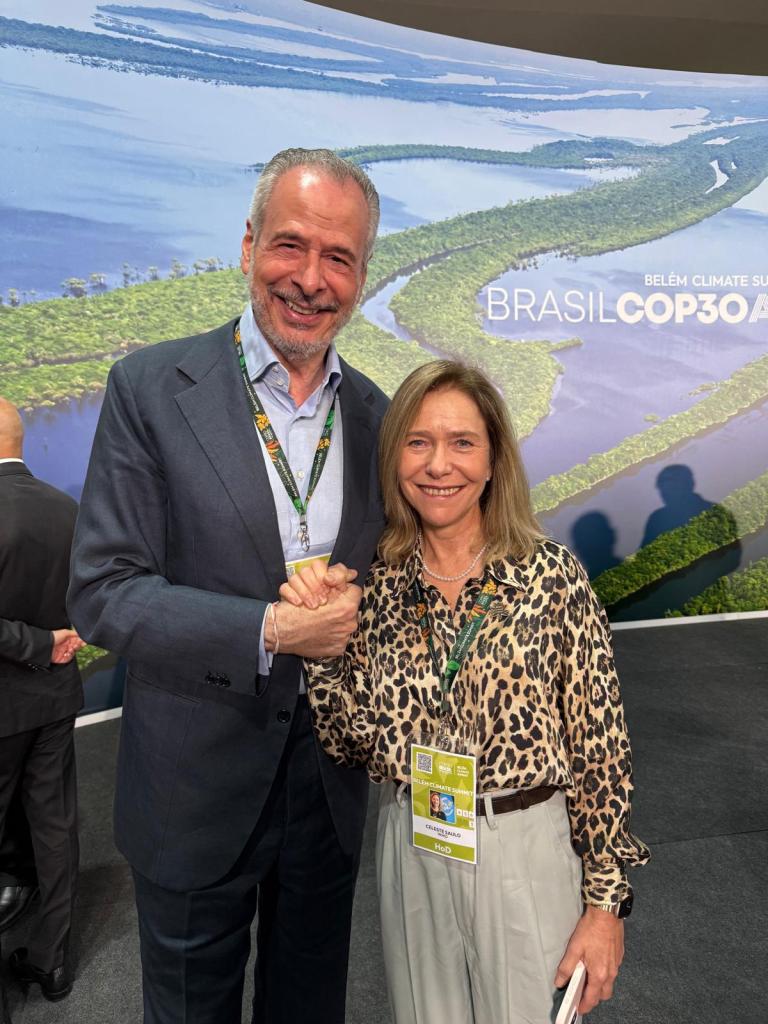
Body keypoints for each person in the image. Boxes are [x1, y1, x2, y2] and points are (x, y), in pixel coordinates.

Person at [67, 148, 388, 1024]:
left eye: (340, 259)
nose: (311, 280)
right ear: (247, 245)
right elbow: (104, 591)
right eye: (291, 245)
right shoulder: (149, 388)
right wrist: (270, 631)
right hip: (193, 790)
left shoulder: (379, 415)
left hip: (327, 791)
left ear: (362, 276)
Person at [281, 361, 650, 1024]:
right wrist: (322, 647)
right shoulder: (377, 586)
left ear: (492, 459)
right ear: (395, 457)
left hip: (525, 846)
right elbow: (348, 739)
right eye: (417, 442)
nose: (438, 465)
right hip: (413, 837)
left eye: (461, 442)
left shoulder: (549, 577)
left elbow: (601, 751)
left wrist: (605, 905)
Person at [0, 397, 84, 1001]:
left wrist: (34, 642)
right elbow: (92, 597)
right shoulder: (67, 509)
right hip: (55, 696)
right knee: (55, 829)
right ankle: (52, 962)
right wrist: (59, 638)